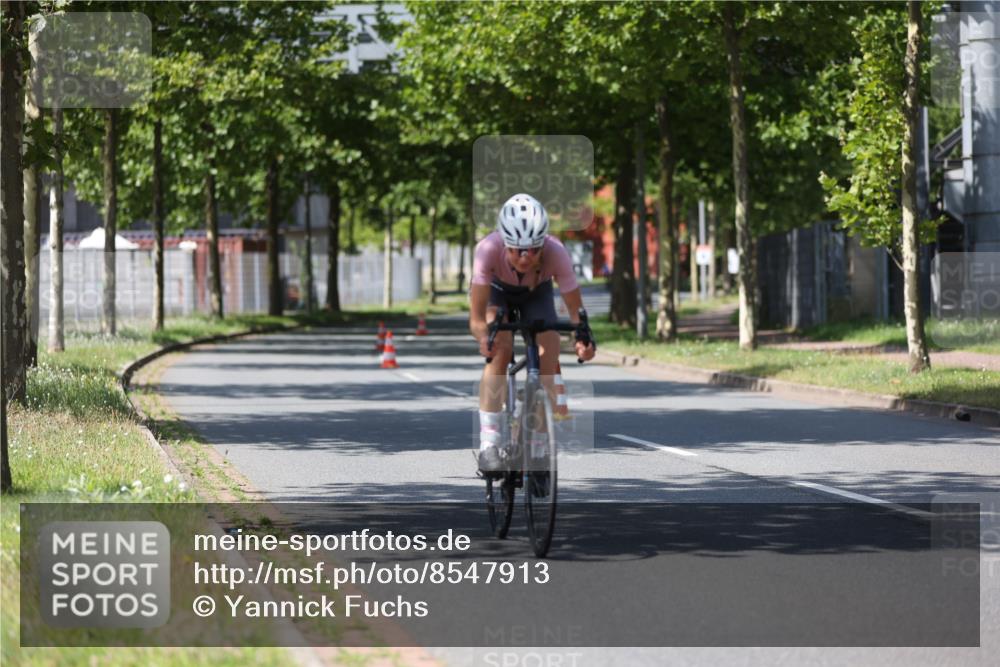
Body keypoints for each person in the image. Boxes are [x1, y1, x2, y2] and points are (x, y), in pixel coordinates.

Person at [469, 193, 596, 471]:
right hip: (497, 294)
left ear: (542, 245)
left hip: (536, 294)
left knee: (548, 355)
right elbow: (477, 317)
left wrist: (583, 339)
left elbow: (576, 313)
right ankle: (489, 443)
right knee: (499, 349)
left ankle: (537, 448)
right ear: (504, 244)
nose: (525, 258)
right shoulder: (487, 250)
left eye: (533, 250)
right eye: (516, 250)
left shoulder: (557, 252)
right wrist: (483, 338)